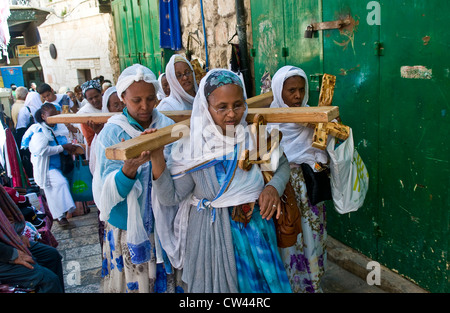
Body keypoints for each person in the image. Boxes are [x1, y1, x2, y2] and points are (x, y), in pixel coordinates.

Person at [151, 69, 292, 293]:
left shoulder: (256, 135)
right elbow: (170, 197)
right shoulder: (192, 148)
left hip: (256, 233)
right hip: (211, 237)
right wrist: (156, 156)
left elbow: (282, 166)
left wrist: (273, 187)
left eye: (238, 105)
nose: (231, 114)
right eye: (222, 107)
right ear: (206, 108)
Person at [92, 64, 183, 293]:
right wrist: (127, 172)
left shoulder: (166, 127)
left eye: (151, 99)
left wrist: (158, 159)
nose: (145, 106)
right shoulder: (113, 133)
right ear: (122, 98)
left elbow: (179, 172)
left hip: (165, 224)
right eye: (136, 100)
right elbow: (106, 192)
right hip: (129, 229)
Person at [268, 65, 329, 293]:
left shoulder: (312, 116)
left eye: (301, 90)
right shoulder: (270, 121)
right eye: (291, 90)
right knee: (290, 236)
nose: (297, 96)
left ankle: (312, 284)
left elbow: (324, 148)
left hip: (309, 189)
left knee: (312, 235)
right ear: (278, 92)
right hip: (286, 189)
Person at [0, 184, 64, 293]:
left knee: (51, 255)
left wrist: (16, 235)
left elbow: (5, 217)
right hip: (4, 253)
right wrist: (12, 254)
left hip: (7, 243)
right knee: (48, 280)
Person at [21, 103, 77, 226]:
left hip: (61, 165)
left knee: (53, 192)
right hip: (47, 168)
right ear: (43, 116)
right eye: (51, 116)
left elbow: (67, 139)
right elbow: (41, 150)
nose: (54, 118)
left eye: (56, 115)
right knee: (60, 183)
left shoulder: (60, 127)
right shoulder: (39, 131)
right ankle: (61, 215)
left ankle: (61, 217)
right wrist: (62, 148)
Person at [76, 80, 103, 153]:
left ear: (101, 93)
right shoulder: (84, 113)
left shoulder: (109, 105)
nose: (94, 100)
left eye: (96, 96)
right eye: (90, 99)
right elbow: (89, 138)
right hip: (96, 147)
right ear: (86, 99)